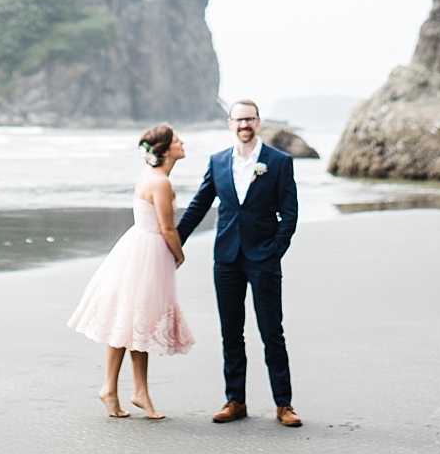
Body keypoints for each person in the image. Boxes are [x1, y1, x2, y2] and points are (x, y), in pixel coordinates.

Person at [176, 98, 301, 426]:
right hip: (227, 259)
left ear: (258, 122)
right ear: (230, 124)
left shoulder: (279, 162)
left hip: (264, 258)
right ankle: (236, 401)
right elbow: (199, 205)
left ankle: (284, 405)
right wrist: (173, 241)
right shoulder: (218, 162)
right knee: (231, 332)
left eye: (249, 119)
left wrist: (275, 249)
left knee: (271, 331)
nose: (244, 125)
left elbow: (289, 213)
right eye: (238, 120)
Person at [68, 123, 194, 419]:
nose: (182, 143)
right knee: (133, 321)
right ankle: (116, 390)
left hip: (138, 246)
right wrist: (179, 255)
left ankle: (134, 392)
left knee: (136, 322)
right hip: (148, 252)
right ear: (163, 150)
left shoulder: (150, 176)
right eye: (176, 140)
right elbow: (167, 228)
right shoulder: (160, 182)